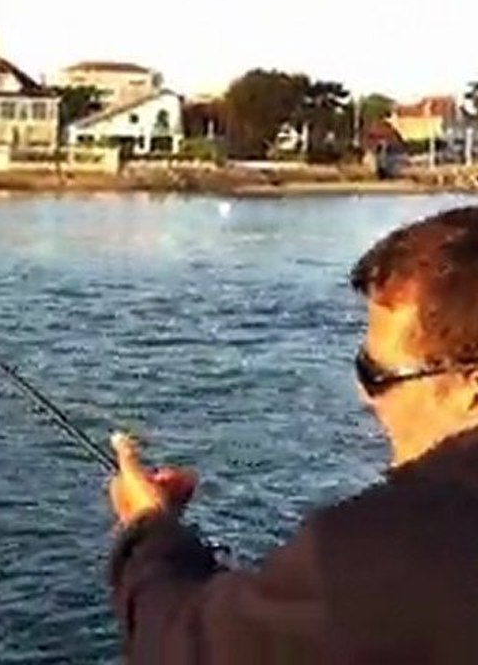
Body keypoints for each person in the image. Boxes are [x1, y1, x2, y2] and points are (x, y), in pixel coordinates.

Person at [107, 206, 478, 664]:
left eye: (376, 374)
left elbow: (181, 646)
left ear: (470, 387)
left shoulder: (385, 550)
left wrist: (149, 530)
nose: (363, 396)